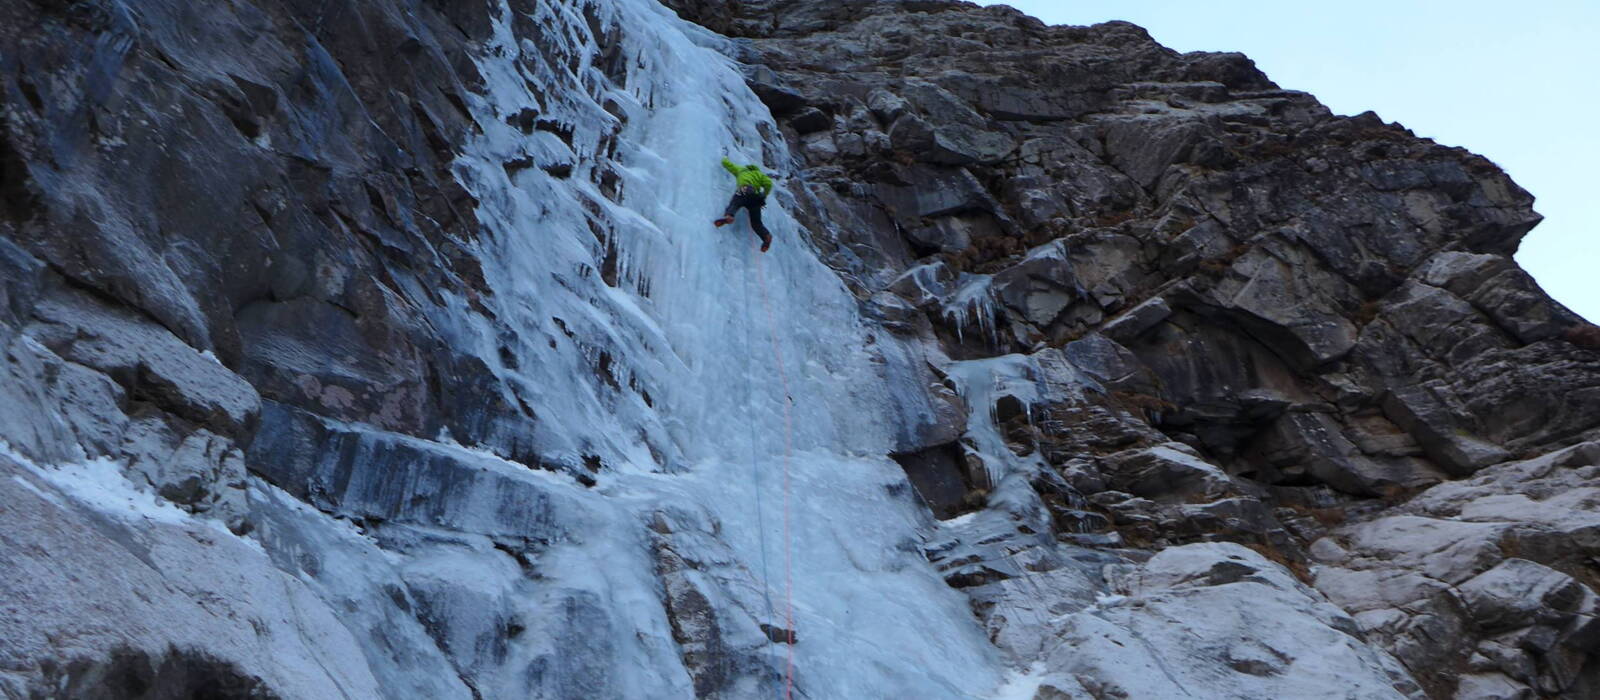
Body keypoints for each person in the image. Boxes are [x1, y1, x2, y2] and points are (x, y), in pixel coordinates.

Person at [713, 157, 774, 252]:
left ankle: (730, 216)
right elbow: (769, 183)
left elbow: (727, 164)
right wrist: (764, 194)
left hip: (745, 190)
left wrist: (724, 158)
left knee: (735, 203)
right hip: (756, 198)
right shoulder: (760, 174)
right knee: (756, 223)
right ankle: (766, 236)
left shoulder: (741, 170)